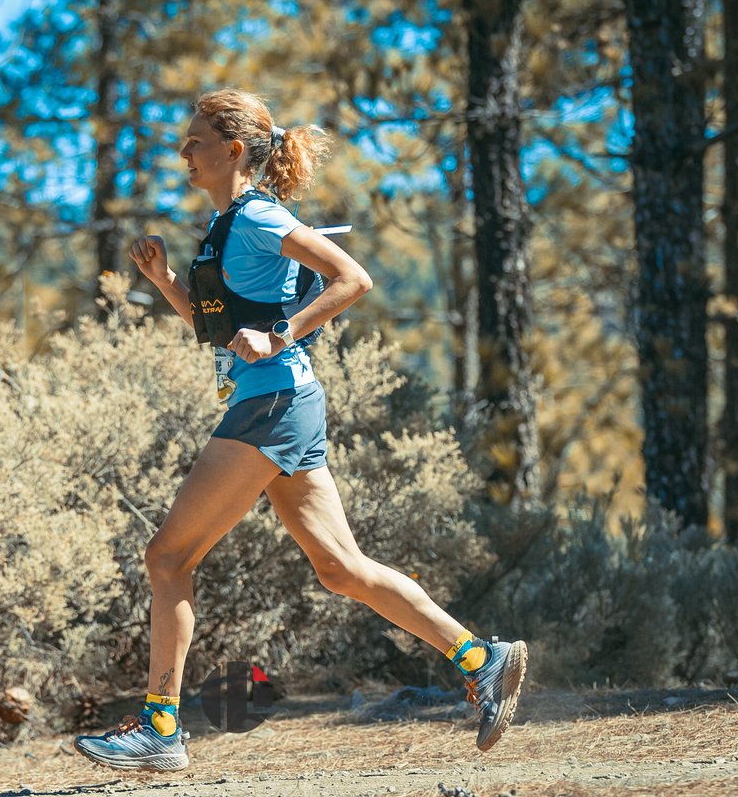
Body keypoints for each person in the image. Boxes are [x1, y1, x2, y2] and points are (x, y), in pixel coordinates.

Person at [73, 89, 527, 772]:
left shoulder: (257, 215)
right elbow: (216, 329)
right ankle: (481, 657)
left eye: (194, 142)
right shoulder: (228, 223)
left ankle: (160, 728)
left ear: (232, 150)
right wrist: (164, 279)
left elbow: (352, 278)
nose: (182, 152)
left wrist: (282, 333)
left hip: (273, 404)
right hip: (285, 402)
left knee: (168, 559)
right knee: (340, 569)